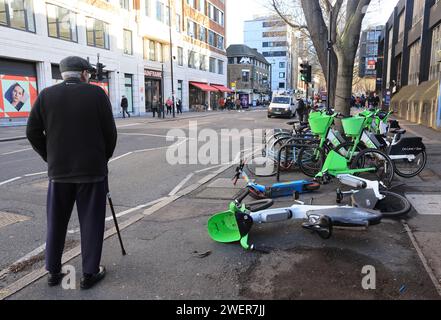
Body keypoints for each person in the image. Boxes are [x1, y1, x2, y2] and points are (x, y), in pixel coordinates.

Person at [26, 56, 117, 290]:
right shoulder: (96, 94)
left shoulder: (46, 95)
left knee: (56, 222)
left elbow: (32, 131)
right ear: (84, 73)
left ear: (62, 74)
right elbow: (110, 133)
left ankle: (54, 272)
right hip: (92, 172)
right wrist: (101, 158)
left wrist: (50, 156)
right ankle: (89, 273)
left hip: (59, 173)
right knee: (91, 223)